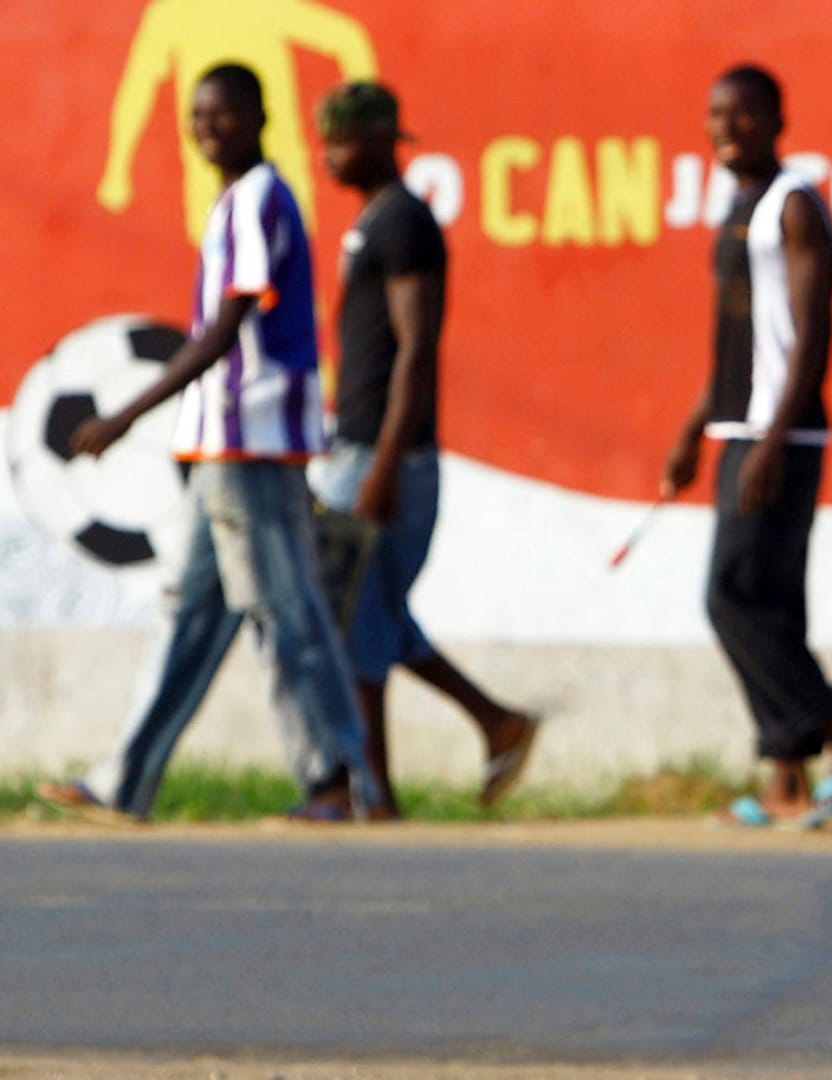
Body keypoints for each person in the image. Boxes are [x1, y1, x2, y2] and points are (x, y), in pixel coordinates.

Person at [39, 63, 383, 822]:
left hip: (250, 444)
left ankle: (336, 775)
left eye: (222, 114)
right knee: (189, 613)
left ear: (258, 117)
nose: (206, 128)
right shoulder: (238, 201)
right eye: (197, 115)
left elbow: (226, 329)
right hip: (221, 450)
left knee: (284, 613)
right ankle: (126, 780)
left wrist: (127, 414)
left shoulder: (258, 200)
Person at [662, 64, 832, 828]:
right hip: (739, 426)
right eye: (713, 114)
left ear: (777, 119)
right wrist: (696, 426)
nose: (724, 127)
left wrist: (769, 440)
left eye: (741, 114)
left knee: (729, 596)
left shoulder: (795, 208)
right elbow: (739, 339)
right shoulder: (737, 206)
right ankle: (787, 781)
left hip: (779, 433)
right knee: (771, 603)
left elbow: (810, 335)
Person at [311, 81, 538, 818]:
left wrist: (383, 464)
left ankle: (375, 794)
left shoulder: (404, 223)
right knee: (364, 616)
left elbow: (416, 351)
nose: (330, 155)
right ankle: (488, 725)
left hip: (386, 457)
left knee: (357, 623)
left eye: (343, 139)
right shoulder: (375, 222)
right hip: (359, 447)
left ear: (380, 140)